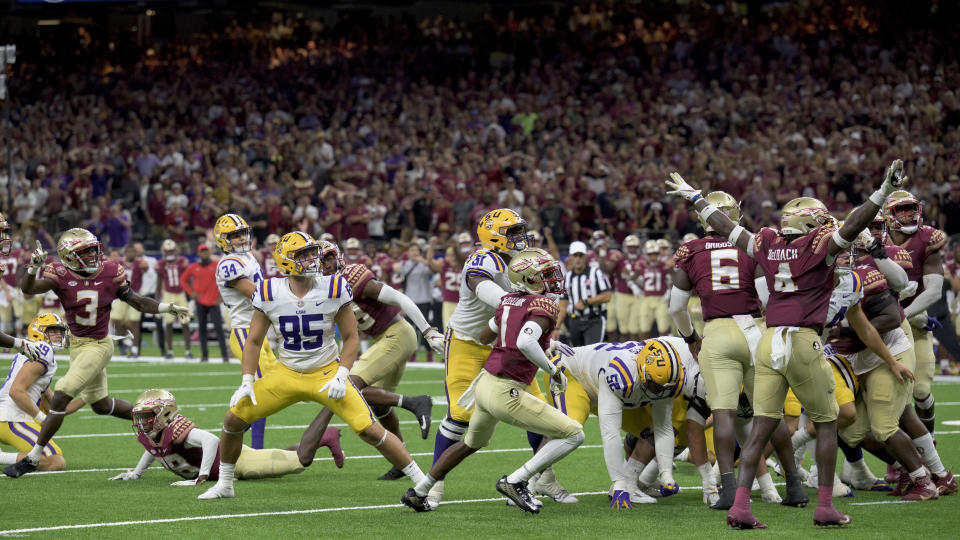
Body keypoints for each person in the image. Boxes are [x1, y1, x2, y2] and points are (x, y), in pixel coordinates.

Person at [665, 159, 907, 528]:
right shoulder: (818, 247)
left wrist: (697, 198)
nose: (829, 226)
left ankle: (741, 507)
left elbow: (727, 228)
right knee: (826, 424)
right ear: (810, 224)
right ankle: (824, 506)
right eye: (822, 221)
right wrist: (883, 192)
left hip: (769, 342)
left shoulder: (767, 243)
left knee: (760, 426)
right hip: (800, 339)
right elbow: (856, 223)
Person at [197, 232, 426, 500]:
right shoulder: (269, 291)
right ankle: (225, 484)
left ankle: (423, 483)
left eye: (311, 252)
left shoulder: (334, 286)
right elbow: (254, 341)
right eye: (303, 255)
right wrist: (247, 380)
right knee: (233, 420)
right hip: (286, 374)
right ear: (286, 261)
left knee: (370, 429)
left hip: (326, 372)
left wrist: (343, 373)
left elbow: (352, 338)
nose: (312, 259)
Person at [401, 248, 583, 513]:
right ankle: (516, 481)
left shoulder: (508, 301)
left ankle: (420, 491)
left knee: (470, 443)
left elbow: (487, 336)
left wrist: (547, 342)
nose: (553, 279)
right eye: (545, 275)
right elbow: (523, 340)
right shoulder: (544, 305)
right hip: (506, 392)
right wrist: (552, 370)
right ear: (528, 279)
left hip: (484, 385)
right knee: (574, 434)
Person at [4, 229, 191, 478]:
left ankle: (33, 457)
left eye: (93, 249)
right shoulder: (59, 274)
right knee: (101, 405)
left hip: (100, 344)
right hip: (78, 345)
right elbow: (29, 289)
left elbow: (136, 301)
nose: (92, 255)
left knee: (60, 395)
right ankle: (163, 423)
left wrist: (167, 307)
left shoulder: (110, 272)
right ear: (69, 257)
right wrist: (32, 268)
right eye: (85, 251)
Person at [668, 191, 805, 510]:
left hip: (717, 331)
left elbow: (676, 306)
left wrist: (690, 337)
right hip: (755, 330)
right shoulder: (752, 244)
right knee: (772, 414)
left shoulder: (691, 250)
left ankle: (728, 489)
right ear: (734, 217)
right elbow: (767, 297)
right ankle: (795, 486)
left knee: (725, 413)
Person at [429, 209, 562, 507]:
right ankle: (434, 482)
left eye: (519, 231)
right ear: (494, 235)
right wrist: (514, 304)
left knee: (538, 410)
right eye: (512, 232)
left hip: (504, 341)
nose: (520, 238)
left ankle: (544, 478)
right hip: (467, 341)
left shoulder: (525, 258)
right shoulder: (483, 258)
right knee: (460, 416)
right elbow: (482, 286)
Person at [293, 239, 441, 481]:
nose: (325, 264)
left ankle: (415, 402)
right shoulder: (323, 289)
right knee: (379, 405)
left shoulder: (352, 276)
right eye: (320, 260)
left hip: (397, 335)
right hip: (383, 340)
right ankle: (400, 461)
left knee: (349, 385)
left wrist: (428, 330)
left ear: (338, 257)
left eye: (328, 257)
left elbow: (399, 298)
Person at [549, 337, 716, 508]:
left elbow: (664, 428)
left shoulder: (668, 378)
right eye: (657, 387)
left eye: (664, 388)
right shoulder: (622, 376)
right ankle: (532, 479)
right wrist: (619, 483)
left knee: (652, 430)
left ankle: (636, 482)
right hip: (574, 376)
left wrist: (667, 474)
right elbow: (610, 434)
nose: (660, 392)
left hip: (620, 389)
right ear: (644, 371)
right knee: (570, 431)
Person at [108, 389, 340, 485]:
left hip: (238, 463)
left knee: (300, 462)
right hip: (230, 463)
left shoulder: (179, 430)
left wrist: (202, 476)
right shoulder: (153, 432)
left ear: (165, 413)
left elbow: (211, 440)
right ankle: (322, 439)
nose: (142, 422)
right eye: (140, 417)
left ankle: (328, 419)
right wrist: (135, 474)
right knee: (282, 456)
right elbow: (154, 449)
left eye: (147, 416)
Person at [882, 191, 946, 433]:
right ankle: (897, 460)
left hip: (914, 323)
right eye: (902, 209)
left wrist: (903, 315)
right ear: (889, 215)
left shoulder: (926, 238)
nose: (909, 214)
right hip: (881, 325)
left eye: (912, 208)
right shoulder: (877, 239)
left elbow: (934, 291)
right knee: (890, 396)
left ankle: (927, 443)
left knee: (920, 391)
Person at [213, 213, 274, 449]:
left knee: (270, 390)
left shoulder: (247, 256)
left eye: (242, 233)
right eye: (235, 235)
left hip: (260, 333)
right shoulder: (229, 264)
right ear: (223, 239)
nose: (241, 238)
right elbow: (257, 294)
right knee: (258, 391)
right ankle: (246, 447)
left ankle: (231, 443)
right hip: (244, 332)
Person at [0, 313, 77, 471]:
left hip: (9, 417)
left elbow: (56, 407)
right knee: (54, 461)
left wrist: (91, 396)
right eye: (53, 331)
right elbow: (16, 391)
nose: (59, 336)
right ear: (38, 332)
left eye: (60, 332)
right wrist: (42, 420)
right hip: (11, 418)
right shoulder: (44, 349)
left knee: (54, 457)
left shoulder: (35, 351)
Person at [181, 244, 229, 363]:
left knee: (219, 328)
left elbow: (225, 280)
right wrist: (190, 292)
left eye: (206, 251)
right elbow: (183, 279)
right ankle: (204, 356)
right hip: (200, 302)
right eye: (202, 251)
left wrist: (221, 296)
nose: (204, 253)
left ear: (209, 252)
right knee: (201, 328)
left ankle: (224, 356)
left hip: (213, 301)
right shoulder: (194, 267)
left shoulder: (216, 266)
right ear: (198, 253)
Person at [557, 241, 611, 346]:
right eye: (575, 255)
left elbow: (607, 296)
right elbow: (562, 306)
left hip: (594, 320)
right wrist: (556, 328)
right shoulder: (567, 278)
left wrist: (586, 301)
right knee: (577, 354)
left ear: (585, 256)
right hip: (574, 321)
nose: (578, 259)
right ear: (570, 257)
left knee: (592, 352)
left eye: (581, 255)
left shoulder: (596, 273)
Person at [157, 239, 192, 359]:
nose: (170, 253)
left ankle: (188, 351)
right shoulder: (161, 264)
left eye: (171, 250)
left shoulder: (182, 261)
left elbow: (188, 277)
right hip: (168, 294)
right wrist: (157, 298)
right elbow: (159, 280)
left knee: (185, 322)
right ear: (163, 251)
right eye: (168, 251)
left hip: (180, 293)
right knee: (168, 323)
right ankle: (170, 351)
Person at [638, 240, 671, 338]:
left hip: (661, 299)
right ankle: (643, 349)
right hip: (646, 299)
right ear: (646, 254)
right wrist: (635, 287)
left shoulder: (664, 265)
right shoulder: (641, 265)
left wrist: (668, 292)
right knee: (644, 329)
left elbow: (670, 281)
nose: (653, 257)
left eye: (655, 254)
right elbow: (634, 279)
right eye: (651, 254)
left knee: (663, 329)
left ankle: (662, 350)